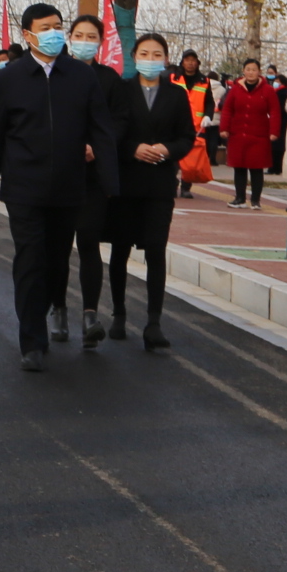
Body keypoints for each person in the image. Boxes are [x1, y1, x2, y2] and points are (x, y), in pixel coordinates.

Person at [0, 2, 120, 371]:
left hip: (70, 187)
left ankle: (48, 310)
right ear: (27, 35)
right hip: (24, 188)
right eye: (46, 27)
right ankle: (32, 340)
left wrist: (109, 180)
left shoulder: (81, 77)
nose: (55, 33)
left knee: (56, 262)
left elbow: (101, 130)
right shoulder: (9, 78)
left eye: (59, 26)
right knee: (30, 260)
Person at [110, 32, 196, 349]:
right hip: (125, 182)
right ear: (134, 56)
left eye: (156, 54)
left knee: (156, 250)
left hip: (159, 185)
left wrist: (167, 149)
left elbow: (187, 136)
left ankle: (153, 322)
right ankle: (118, 314)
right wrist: (133, 149)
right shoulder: (120, 90)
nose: (150, 59)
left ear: (165, 58)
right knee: (120, 250)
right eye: (144, 53)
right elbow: (111, 133)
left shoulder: (176, 95)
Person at [64, 13, 119, 347]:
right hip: (58, 172)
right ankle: (57, 308)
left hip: (93, 175)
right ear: (70, 37)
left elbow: (117, 122)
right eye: (79, 35)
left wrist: (95, 148)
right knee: (56, 246)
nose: (85, 41)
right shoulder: (56, 73)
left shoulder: (109, 79)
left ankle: (89, 314)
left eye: (91, 36)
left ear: (100, 42)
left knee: (88, 243)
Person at [221, 57, 279, 208]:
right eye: (248, 69)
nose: (251, 73)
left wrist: (274, 131)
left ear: (259, 72)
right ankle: (239, 198)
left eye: (254, 70)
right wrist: (224, 128)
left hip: (259, 135)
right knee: (239, 167)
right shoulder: (235, 89)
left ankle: (255, 200)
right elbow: (227, 109)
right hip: (238, 134)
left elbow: (274, 112)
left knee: (256, 168)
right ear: (243, 71)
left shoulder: (267, 90)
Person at [174, 50, 215, 199]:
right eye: (187, 60)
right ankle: (172, 185)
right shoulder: (174, 78)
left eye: (193, 60)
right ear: (182, 62)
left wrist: (208, 116)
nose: (190, 63)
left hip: (196, 126)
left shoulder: (205, 81)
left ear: (197, 63)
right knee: (173, 157)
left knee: (191, 159)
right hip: (175, 123)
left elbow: (209, 102)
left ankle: (186, 187)